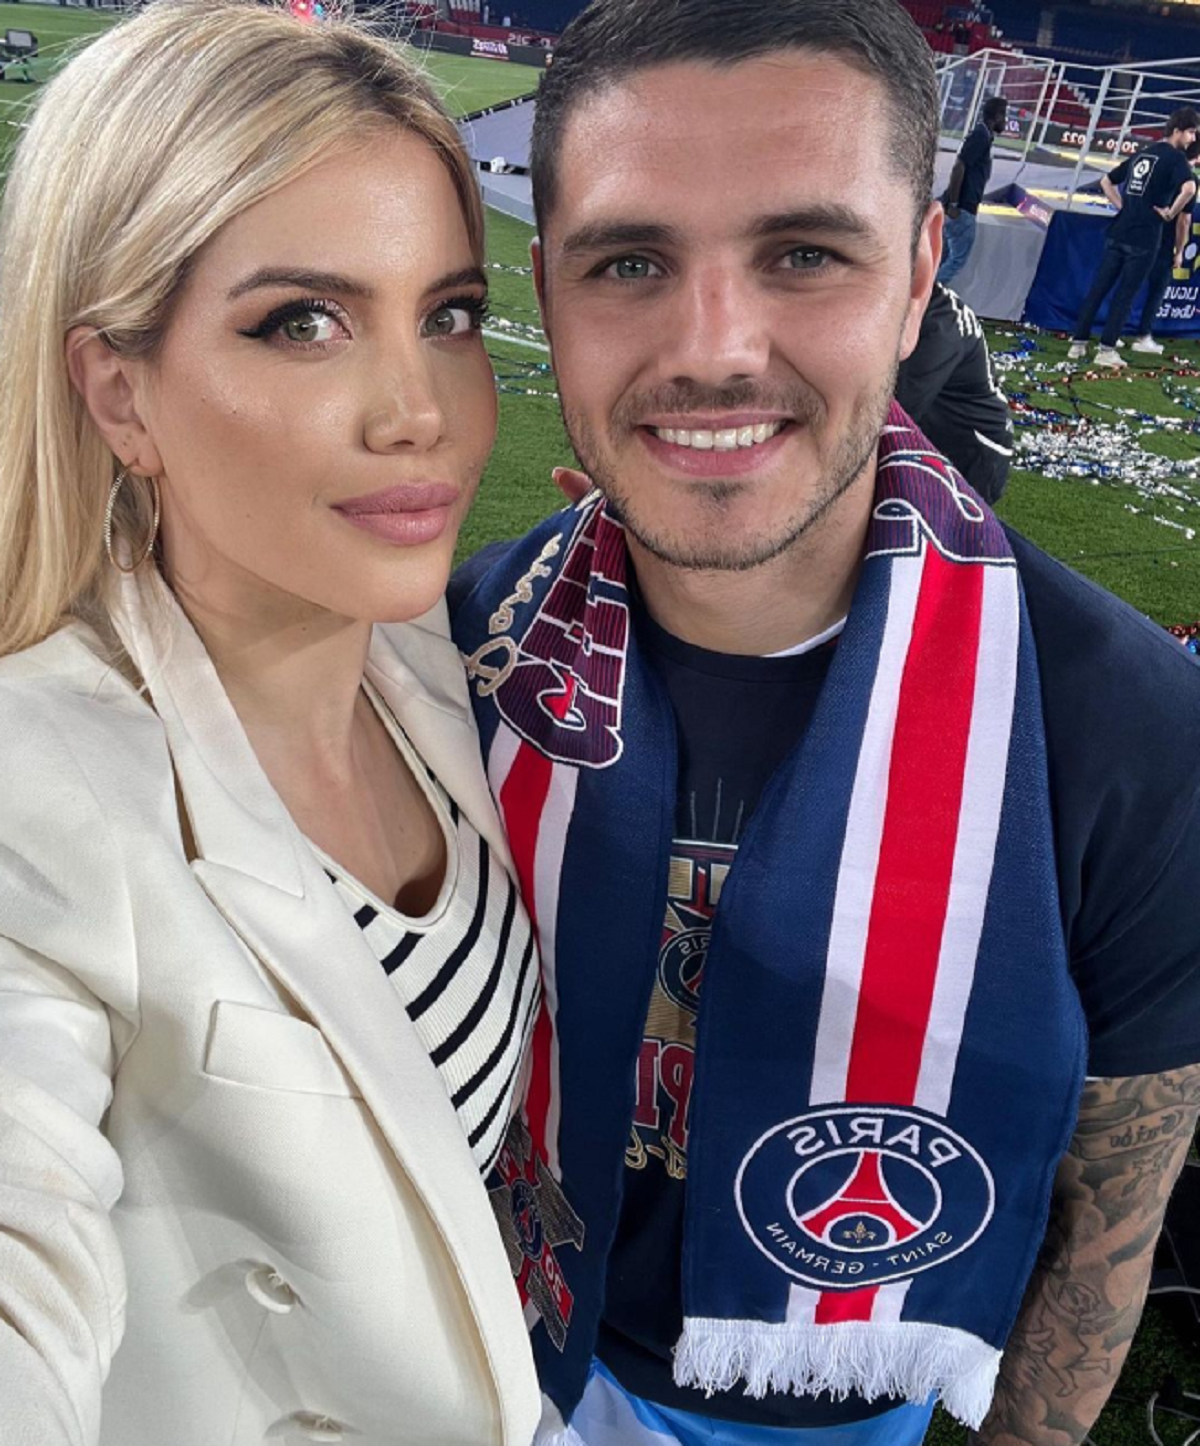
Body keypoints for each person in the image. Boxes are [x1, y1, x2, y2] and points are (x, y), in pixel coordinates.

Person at [449, 1, 1200, 1444]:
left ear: (918, 277)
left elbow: (1110, 1220)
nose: (715, 349)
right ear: (548, 286)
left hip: (833, 1408)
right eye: (629, 262)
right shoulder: (464, 642)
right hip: (481, 1330)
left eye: (804, 254)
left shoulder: (1128, 730)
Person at [0, 2, 542, 1442]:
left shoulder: (438, 652)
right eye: (304, 323)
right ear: (120, 392)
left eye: (449, 315)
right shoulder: (32, 795)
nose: (420, 411)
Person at [1068, 108, 1199, 369]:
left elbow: (1106, 181)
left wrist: (1123, 206)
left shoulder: (1144, 152)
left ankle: (1078, 343)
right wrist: (1170, 213)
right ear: (1178, 131)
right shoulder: (1176, 159)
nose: (1194, 139)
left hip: (1120, 230)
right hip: (1145, 237)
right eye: (1191, 132)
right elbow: (1189, 188)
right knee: (1125, 295)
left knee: (1098, 289)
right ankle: (1106, 350)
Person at [895, 281, 1013, 503]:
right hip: (953, 436)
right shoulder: (935, 308)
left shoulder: (939, 326)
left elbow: (898, 411)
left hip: (973, 453)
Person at [1128, 136, 1200, 355]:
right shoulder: (1189, 179)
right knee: (1156, 290)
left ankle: (1113, 332)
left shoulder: (1162, 167)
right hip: (1163, 240)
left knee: (1127, 286)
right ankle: (1143, 336)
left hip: (1139, 232)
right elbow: (1184, 220)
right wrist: (1179, 251)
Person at [938, 94, 1008, 286]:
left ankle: (924, 294)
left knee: (943, 257)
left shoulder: (982, 135)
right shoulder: (980, 136)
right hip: (962, 208)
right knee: (956, 261)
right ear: (997, 116)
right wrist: (954, 204)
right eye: (1004, 116)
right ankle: (929, 296)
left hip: (959, 207)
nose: (1006, 122)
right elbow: (958, 167)